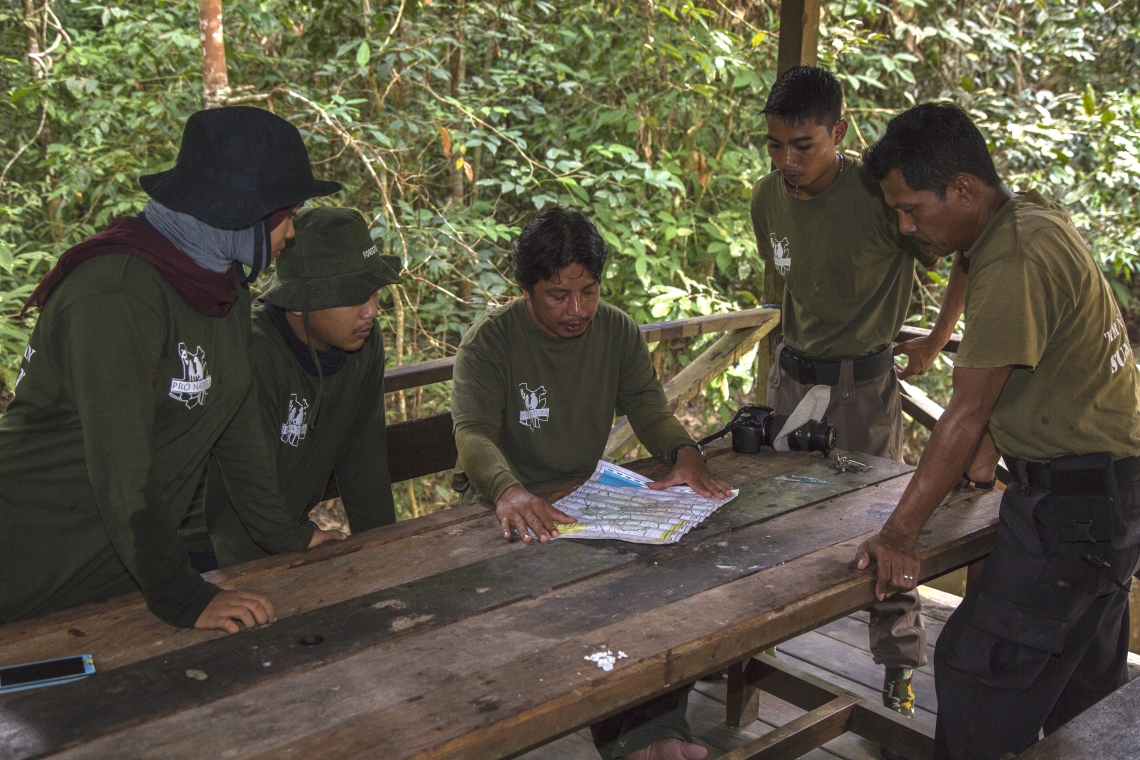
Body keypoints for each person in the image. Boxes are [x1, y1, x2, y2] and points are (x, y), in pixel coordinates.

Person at [857, 102, 1140, 760]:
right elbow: (969, 270)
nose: (904, 226)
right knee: (1079, 687)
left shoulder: (1015, 259)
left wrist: (901, 532)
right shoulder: (1024, 217)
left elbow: (967, 408)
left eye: (911, 209)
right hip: (1110, 494)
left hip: (1076, 506)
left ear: (962, 189)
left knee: (976, 672)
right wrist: (980, 466)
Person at [0, 107, 346, 633]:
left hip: (118, 581)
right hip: (31, 568)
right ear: (244, 210)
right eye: (288, 213)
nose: (292, 232)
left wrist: (289, 536)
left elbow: (235, 429)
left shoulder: (222, 289)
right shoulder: (115, 294)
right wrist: (183, 595)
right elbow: (122, 467)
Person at [451, 206, 730, 760]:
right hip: (505, 508)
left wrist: (685, 455)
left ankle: (654, 734)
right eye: (558, 295)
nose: (577, 310)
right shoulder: (490, 343)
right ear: (525, 288)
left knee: (655, 585)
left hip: (584, 500)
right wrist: (508, 489)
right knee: (592, 602)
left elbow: (649, 410)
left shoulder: (617, 331)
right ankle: (639, 739)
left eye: (589, 292)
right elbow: (472, 435)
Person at [749, 66, 969, 726]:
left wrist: (934, 340)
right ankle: (747, 651)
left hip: (863, 389)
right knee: (769, 521)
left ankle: (898, 662)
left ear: (839, 132)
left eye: (804, 145)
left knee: (884, 526)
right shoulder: (767, 199)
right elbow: (788, 285)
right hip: (791, 381)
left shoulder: (881, 198)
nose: (789, 162)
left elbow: (963, 255)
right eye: (776, 146)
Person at [201, 207, 402, 567]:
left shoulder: (364, 344)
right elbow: (236, 496)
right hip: (211, 550)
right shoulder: (251, 353)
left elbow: (363, 459)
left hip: (282, 534)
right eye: (354, 296)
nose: (371, 311)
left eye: (374, 293)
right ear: (296, 303)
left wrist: (384, 553)